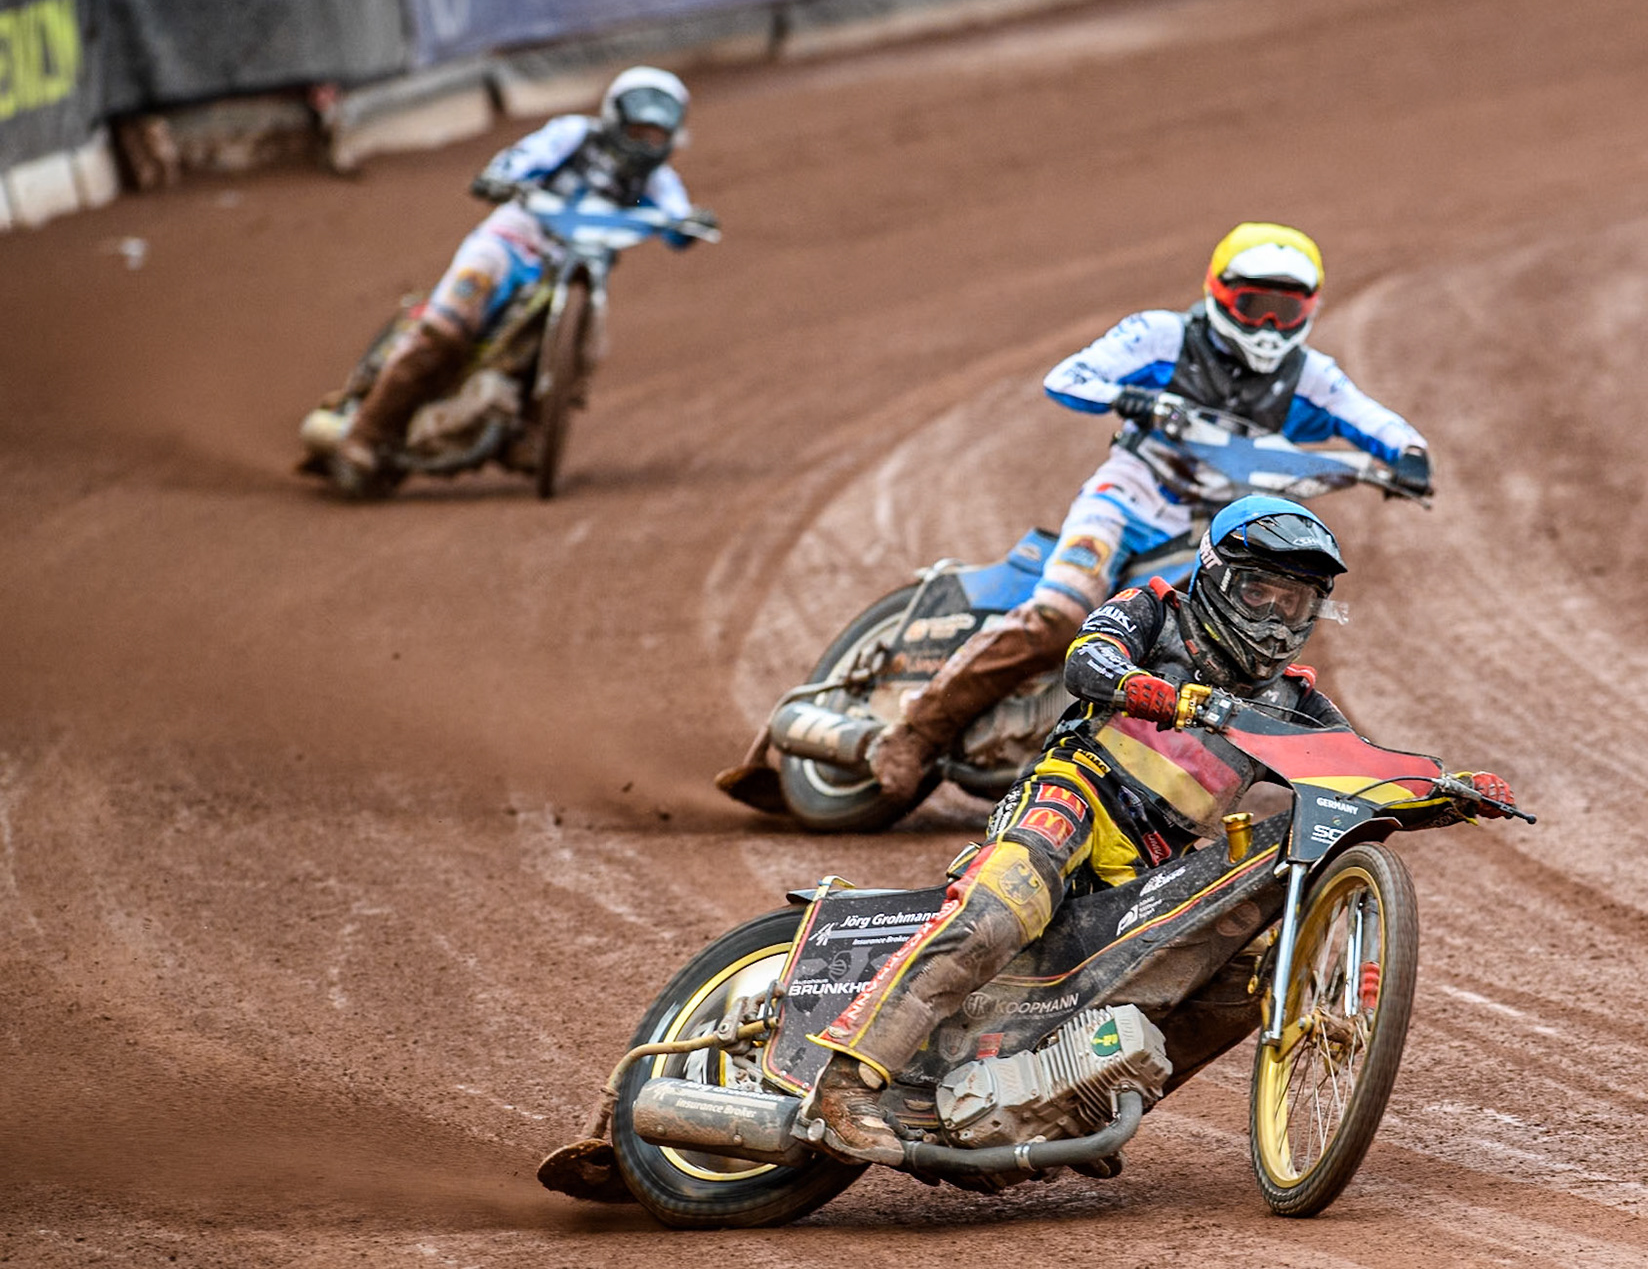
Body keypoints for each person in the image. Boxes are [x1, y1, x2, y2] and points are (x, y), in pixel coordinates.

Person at [800, 496, 1514, 1163]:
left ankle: (1088, 1105)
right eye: (1259, 593)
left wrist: (1448, 790)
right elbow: (1088, 658)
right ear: (1218, 577)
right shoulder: (1155, 610)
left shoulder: (1295, 699)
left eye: (1292, 604)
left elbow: (1355, 770)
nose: (1272, 618)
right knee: (1003, 905)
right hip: (1075, 794)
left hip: (1154, 862)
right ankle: (848, 1080)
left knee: (1245, 972)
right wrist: (1150, 689)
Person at [864, 223, 1433, 799]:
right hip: (1129, 496)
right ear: (1221, 293)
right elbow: (1067, 377)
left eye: (1283, 310)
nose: (1267, 325)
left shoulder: (1309, 374)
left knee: (1222, 645)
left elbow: (1370, 419)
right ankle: (914, 732)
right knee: (1062, 614)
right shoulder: (1163, 336)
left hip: (1214, 528)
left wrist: (1409, 456)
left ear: (1308, 309)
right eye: (1255, 305)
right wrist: (1125, 396)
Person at [329, 66, 717, 483]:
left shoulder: (652, 181)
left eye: (656, 136)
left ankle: (531, 429)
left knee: (589, 346)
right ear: (616, 119)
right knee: (444, 331)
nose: (645, 144)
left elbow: (676, 216)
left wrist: (689, 226)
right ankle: (367, 433)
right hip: (511, 244)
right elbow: (527, 157)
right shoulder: (575, 136)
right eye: (638, 131)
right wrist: (504, 176)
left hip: (577, 266)